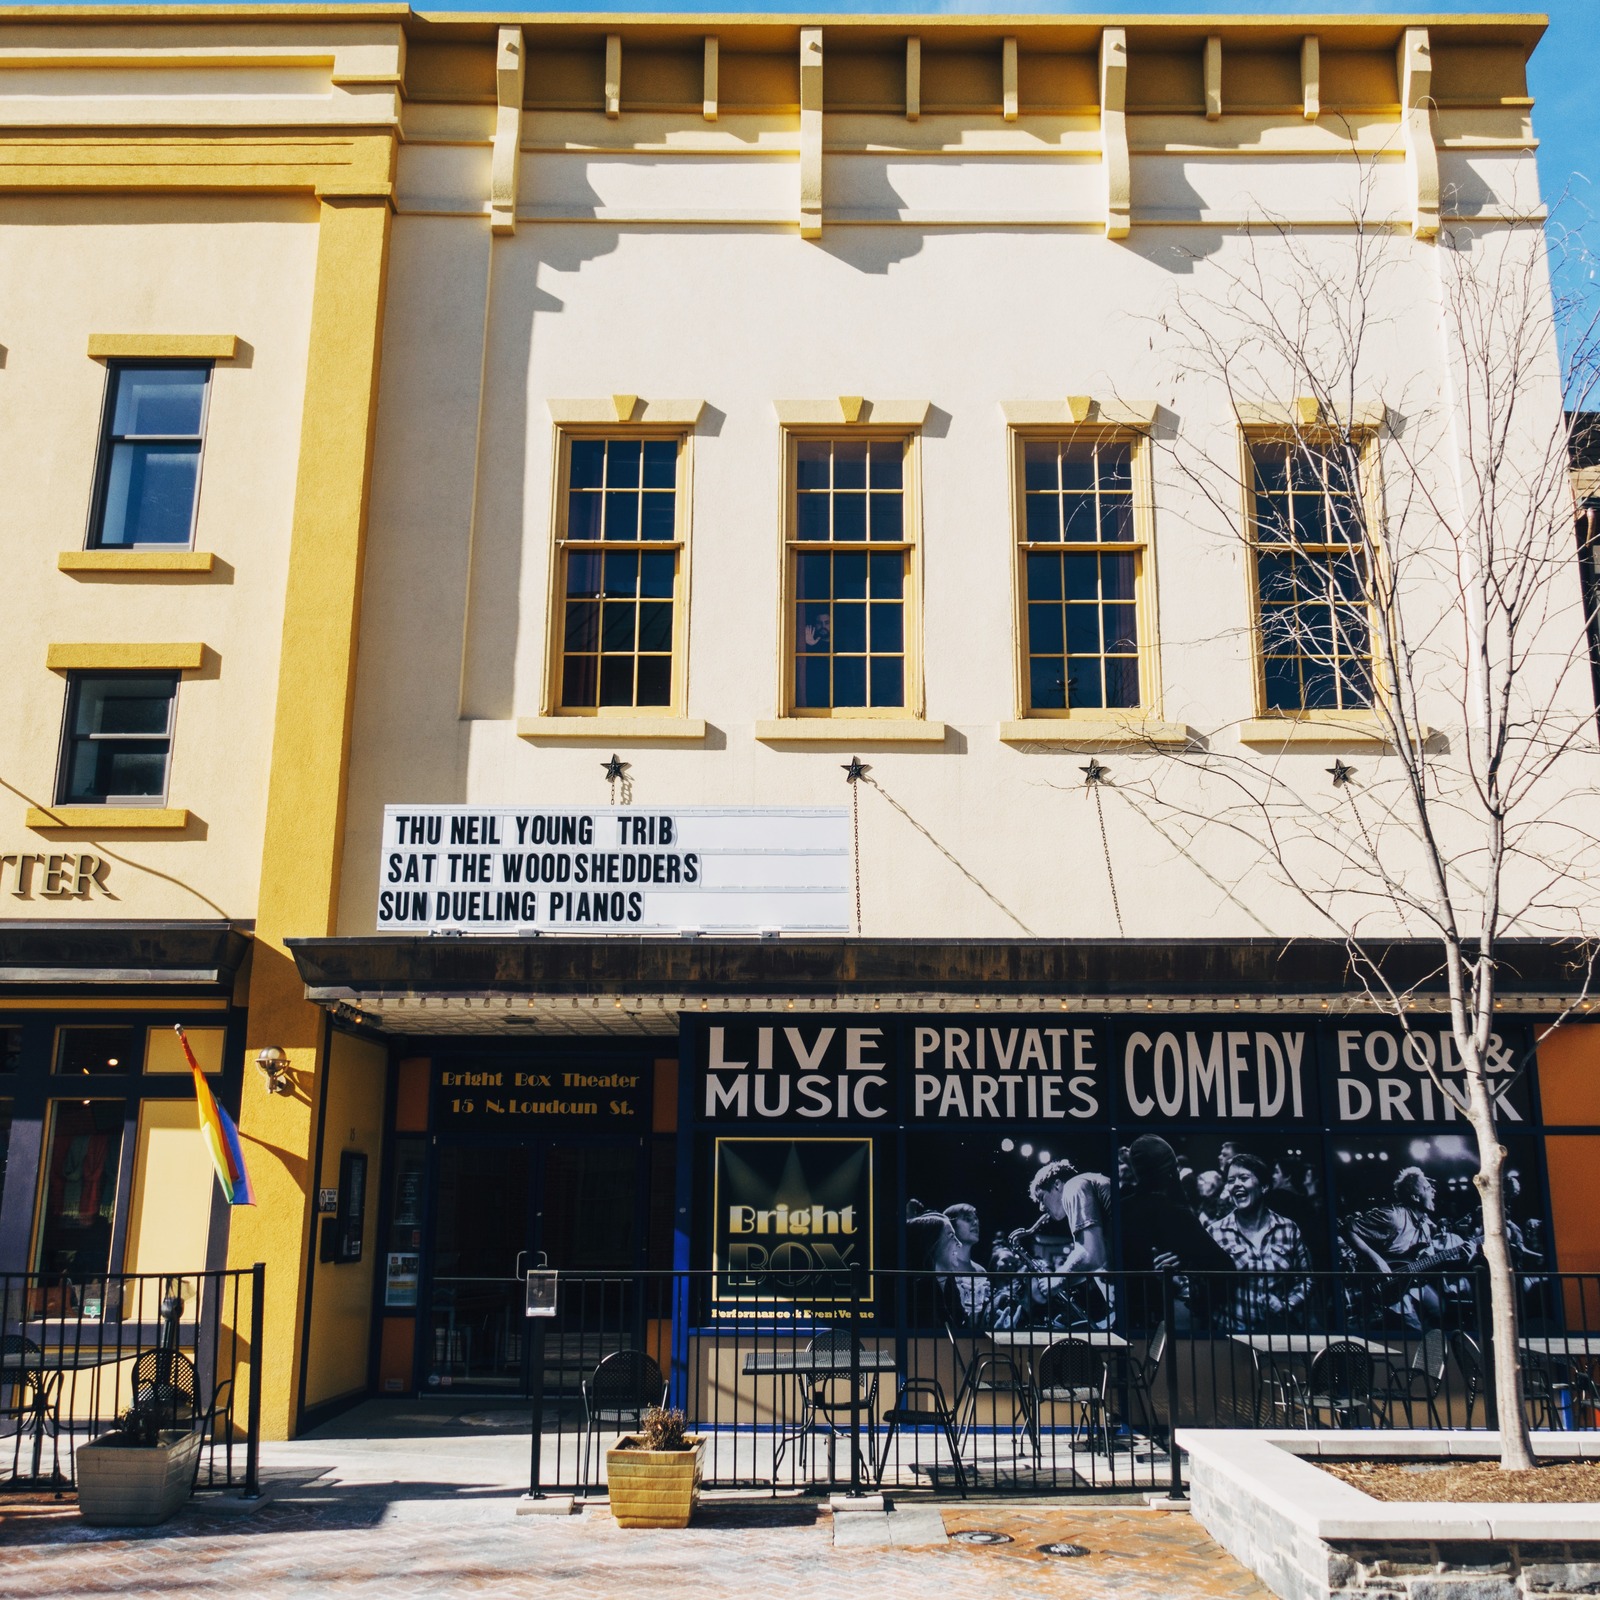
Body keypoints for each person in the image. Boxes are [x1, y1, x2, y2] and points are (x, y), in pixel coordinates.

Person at [1119, 1135, 1234, 1328]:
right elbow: (1224, 1269)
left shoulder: (1121, 1208)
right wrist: (1186, 1278)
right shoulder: (1175, 1213)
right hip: (1168, 1319)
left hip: (1129, 1316)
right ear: (1170, 1169)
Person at [1207, 1153, 1312, 1330]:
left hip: (1277, 1335)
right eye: (1231, 1180)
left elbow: (1307, 1279)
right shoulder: (1215, 1233)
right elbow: (1200, 1286)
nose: (1236, 1184)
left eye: (1244, 1178)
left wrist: (1287, 1305)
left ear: (1264, 1187)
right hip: (1230, 1337)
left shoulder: (1288, 1229)